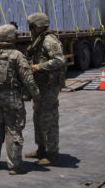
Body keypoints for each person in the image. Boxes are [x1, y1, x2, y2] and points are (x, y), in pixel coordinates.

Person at [0, 24, 41, 175]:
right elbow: (28, 79)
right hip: (11, 97)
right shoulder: (17, 55)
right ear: (11, 38)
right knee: (13, 129)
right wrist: (36, 97)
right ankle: (14, 165)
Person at [24, 13, 66, 166]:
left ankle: (52, 154)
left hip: (49, 87)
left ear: (36, 26)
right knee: (38, 119)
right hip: (41, 87)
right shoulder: (39, 39)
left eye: (31, 27)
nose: (30, 30)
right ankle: (42, 150)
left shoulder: (49, 40)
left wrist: (38, 67)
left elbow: (59, 60)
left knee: (49, 120)